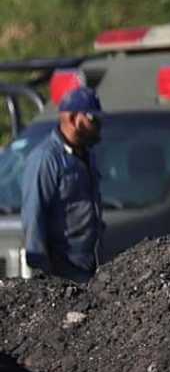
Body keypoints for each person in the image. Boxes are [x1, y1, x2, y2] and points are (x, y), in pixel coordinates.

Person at [21, 86, 105, 283]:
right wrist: (42, 274)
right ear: (73, 119)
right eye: (93, 119)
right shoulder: (46, 158)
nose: (99, 125)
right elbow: (34, 214)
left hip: (90, 267)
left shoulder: (86, 155)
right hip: (63, 271)